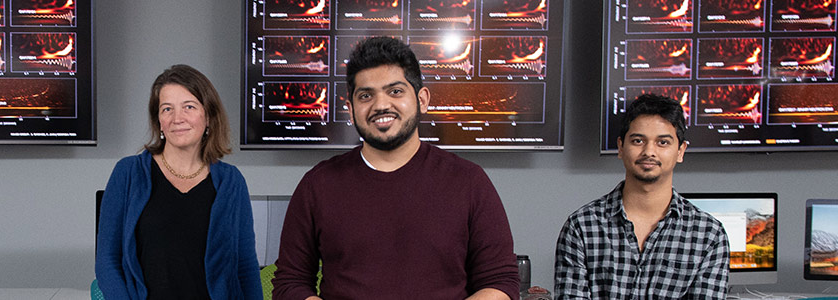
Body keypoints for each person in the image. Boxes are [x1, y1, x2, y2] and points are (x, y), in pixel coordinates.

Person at [272, 36, 519, 300]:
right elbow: (290, 283)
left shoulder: (469, 181)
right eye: (366, 95)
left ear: (422, 99)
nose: (380, 105)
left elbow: (500, 282)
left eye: (396, 91)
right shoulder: (317, 185)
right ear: (350, 109)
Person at [95, 64, 261, 299]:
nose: (177, 118)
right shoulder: (128, 173)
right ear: (159, 121)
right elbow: (107, 262)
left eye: (189, 107)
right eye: (167, 109)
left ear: (209, 117)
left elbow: (245, 267)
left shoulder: (231, 182)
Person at [555, 94, 729, 299]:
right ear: (620, 147)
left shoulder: (708, 235)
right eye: (638, 140)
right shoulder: (582, 226)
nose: (649, 152)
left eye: (663, 142)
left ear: (680, 151)